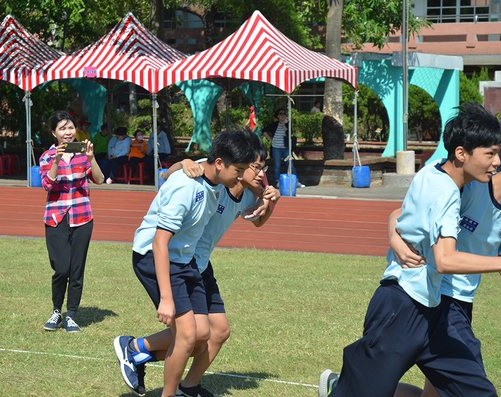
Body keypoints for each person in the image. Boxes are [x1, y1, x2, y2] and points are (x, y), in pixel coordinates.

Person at [318, 102, 501, 397]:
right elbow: (441, 254)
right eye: (490, 153)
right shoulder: (455, 188)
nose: (496, 161)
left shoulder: (450, 178)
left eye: (498, 153)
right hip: (405, 303)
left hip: (443, 305)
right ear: (462, 153)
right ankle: (343, 387)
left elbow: (499, 255)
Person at [390, 128, 501, 397]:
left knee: (437, 393)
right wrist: (394, 237)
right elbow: (403, 213)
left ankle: (345, 388)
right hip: (433, 294)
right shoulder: (470, 186)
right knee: (472, 389)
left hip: (462, 302)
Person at [112, 129, 259, 397]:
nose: (241, 177)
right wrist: (166, 298)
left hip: (185, 258)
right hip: (155, 256)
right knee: (188, 334)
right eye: (238, 170)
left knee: (203, 335)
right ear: (219, 164)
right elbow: (159, 243)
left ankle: (136, 350)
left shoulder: (215, 178)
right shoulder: (186, 186)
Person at [39, 110, 104, 333]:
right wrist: (57, 161)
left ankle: (71, 316)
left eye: (70, 127)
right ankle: (57, 311)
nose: (68, 132)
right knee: (61, 268)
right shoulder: (47, 157)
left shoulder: (82, 155)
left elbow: (99, 179)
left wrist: (92, 158)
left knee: (76, 269)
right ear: (54, 133)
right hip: (56, 218)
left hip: (82, 217)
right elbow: (47, 185)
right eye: (62, 128)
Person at [262, 108, 304, 188]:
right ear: (277, 116)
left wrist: (284, 125)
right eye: (281, 114)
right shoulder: (274, 124)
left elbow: (289, 133)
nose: (283, 115)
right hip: (276, 147)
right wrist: (271, 140)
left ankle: (296, 181)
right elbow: (264, 131)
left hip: (286, 147)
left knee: (290, 164)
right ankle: (277, 181)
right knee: (277, 165)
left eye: (284, 113)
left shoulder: (288, 124)